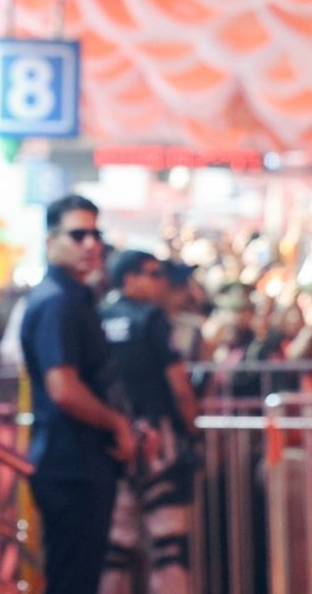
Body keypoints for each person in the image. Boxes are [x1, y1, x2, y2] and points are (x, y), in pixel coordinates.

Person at [20, 194, 137, 594]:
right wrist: (117, 423)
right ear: (51, 240)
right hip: (71, 468)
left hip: (81, 464)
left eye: (95, 234)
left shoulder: (73, 297)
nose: (91, 244)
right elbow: (64, 389)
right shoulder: (57, 302)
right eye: (78, 234)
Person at [98, 251, 198, 594]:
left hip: (114, 441)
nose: (161, 282)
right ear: (128, 277)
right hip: (159, 441)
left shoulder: (98, 316)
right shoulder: (152, 318)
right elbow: (179, 384)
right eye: (152, 274)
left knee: (115, 543)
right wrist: (192, 427)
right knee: (168, 540)